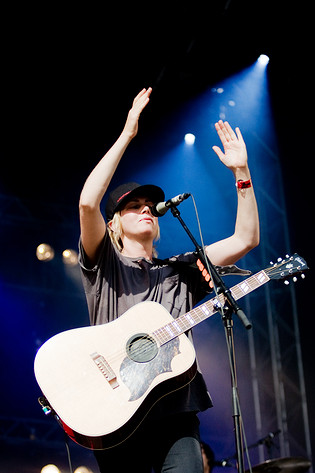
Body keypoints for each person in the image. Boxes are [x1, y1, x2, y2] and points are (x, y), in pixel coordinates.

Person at [78, 87, 259, 473]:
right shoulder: (103, 265)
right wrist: (128, 133)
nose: (145, 209)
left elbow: (246, 239)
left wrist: (242, 174)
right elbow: (87, 203)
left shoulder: (181, 268)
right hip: (117, 414)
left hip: (176, 411)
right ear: (114, 225)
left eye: (149, 206)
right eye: (132, 206)